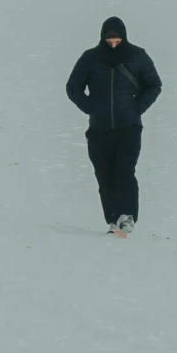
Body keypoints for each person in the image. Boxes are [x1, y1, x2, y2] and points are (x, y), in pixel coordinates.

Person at [65, 15, 163, 237]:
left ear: (124, 37)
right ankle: (112, 220)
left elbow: (154, 85)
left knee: (124, 171)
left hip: (129, 127)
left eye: (117, 40)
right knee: (104, 174)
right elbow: (73, 87)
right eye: (109, 40)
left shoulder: (137, 56)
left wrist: (136, 108)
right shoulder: (90, 58)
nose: (113, 43)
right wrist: (91, 108)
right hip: (99, 129)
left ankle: (127, 216)